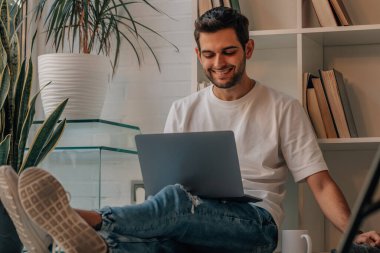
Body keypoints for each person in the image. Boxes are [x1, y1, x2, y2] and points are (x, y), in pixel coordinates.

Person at [0, 6, 379, 253]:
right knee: (157, 242)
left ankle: (80, 217)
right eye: (210, 54)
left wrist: (352, 232)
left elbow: (321, 183)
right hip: (194, 223)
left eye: (228, 52)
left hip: (254, 227)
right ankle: (62, 245)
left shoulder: (284, 108)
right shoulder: (183, 109)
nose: (219, 63)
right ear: (199, 55)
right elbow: (161, 190)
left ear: (247, 50)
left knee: (179, 203)